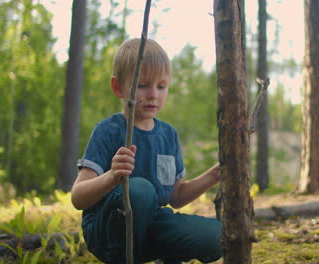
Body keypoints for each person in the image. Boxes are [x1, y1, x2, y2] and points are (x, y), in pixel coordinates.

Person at [70, 38, 222, 264]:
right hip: (107, 232)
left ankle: (163, 255)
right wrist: (112, 177)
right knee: (140, 190)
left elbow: (176, 196)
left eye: (161, 86)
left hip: (152, 225)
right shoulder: (108, 131)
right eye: (142, 85)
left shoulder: (168, 135)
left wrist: (216, 174)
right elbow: (78, 197)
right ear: (118, 87)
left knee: (218, 236)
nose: (153, 94)